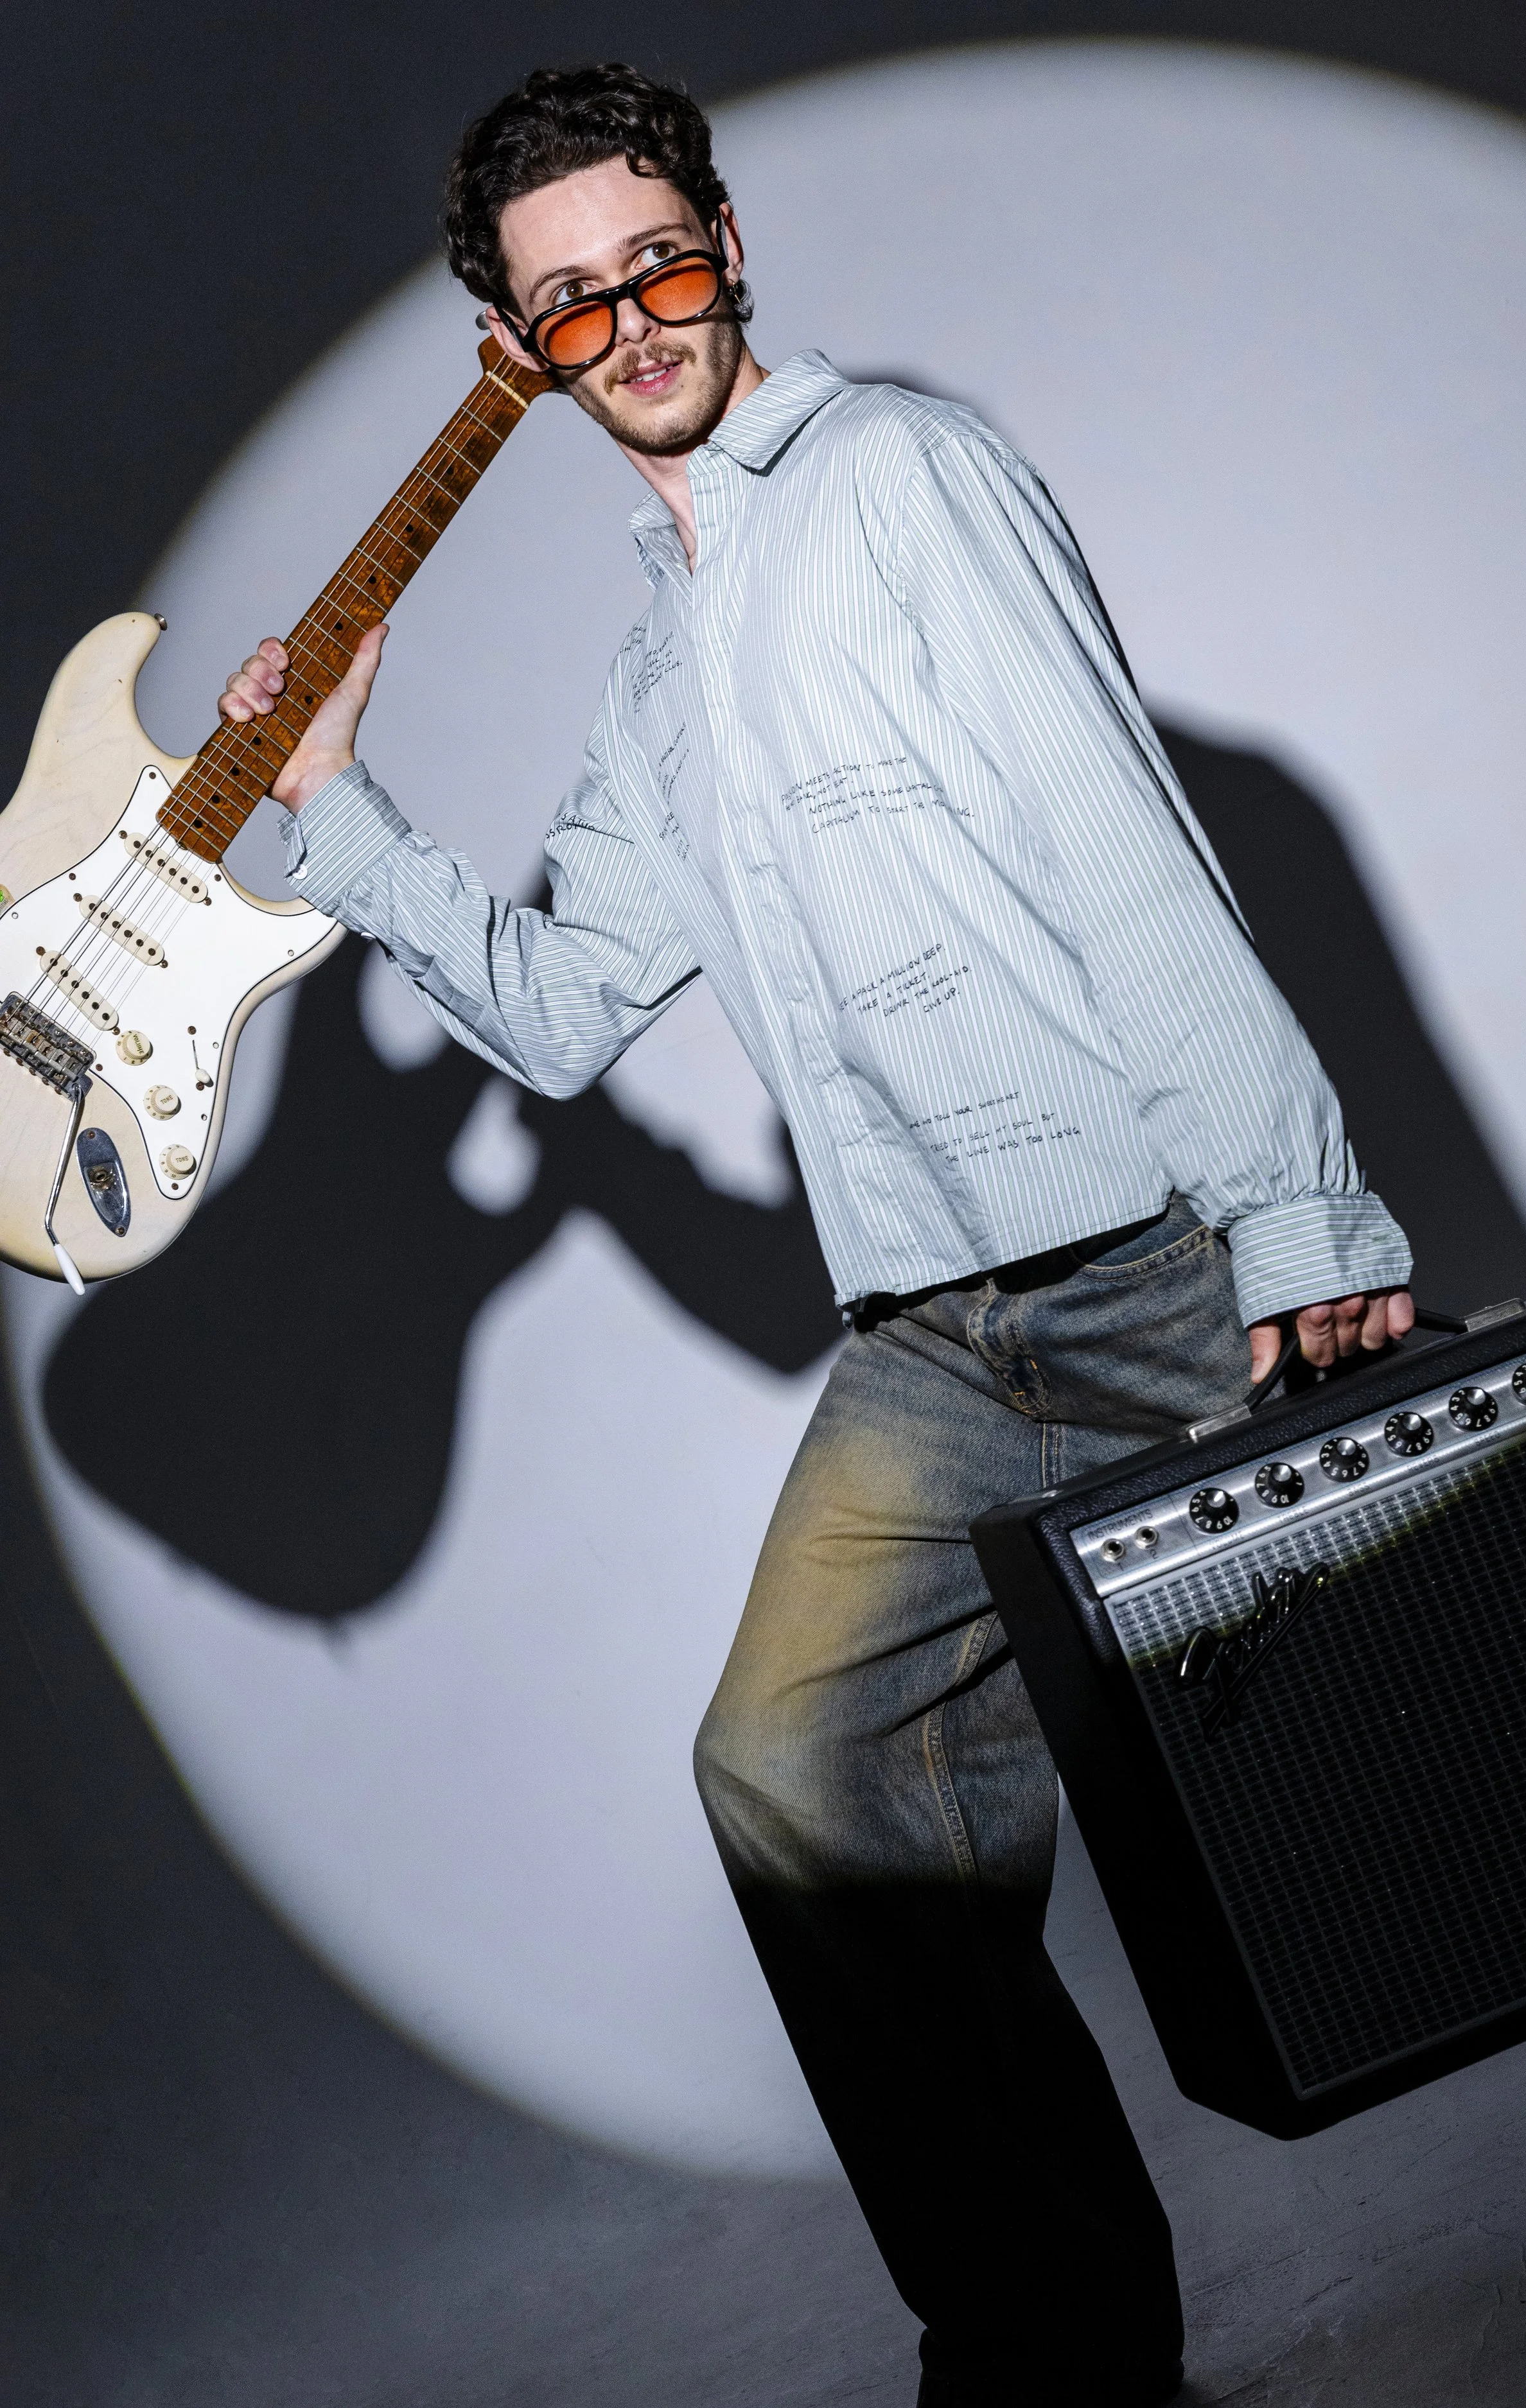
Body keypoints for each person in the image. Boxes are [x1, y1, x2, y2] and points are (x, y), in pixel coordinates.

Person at [220, 62, 1414, 2407]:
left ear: (729, 245)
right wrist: (333, 810)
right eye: (569, 299)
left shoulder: (906, 481)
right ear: (519, 347)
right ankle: (1047, 2341)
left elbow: (1123, 847)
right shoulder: (659, 673)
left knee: (1409, 1761)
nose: (633, 318)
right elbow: (564, 1021)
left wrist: (1299, 1210)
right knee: (788, 1767)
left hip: (1156, 1265)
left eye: (656, 260)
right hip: (935, 1344)